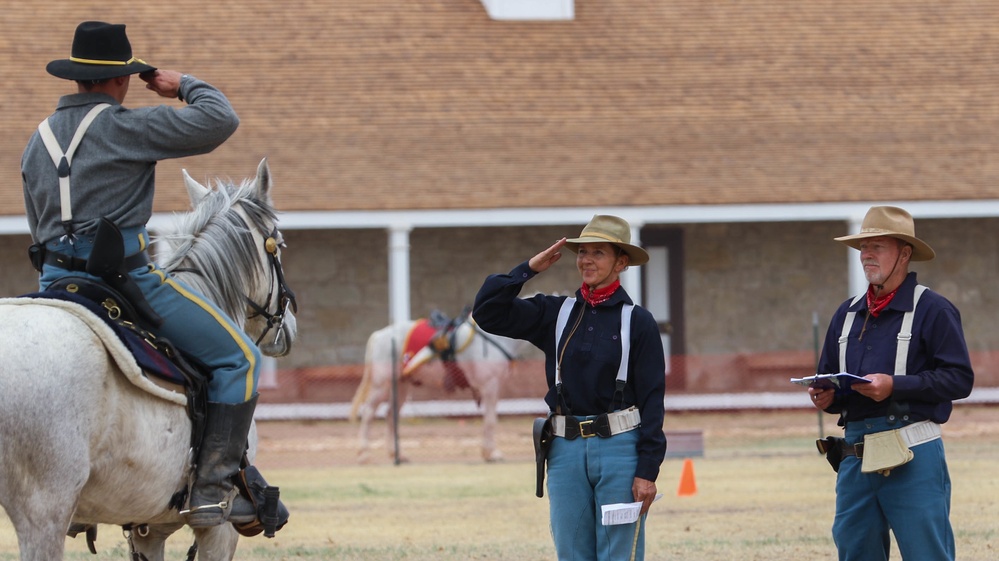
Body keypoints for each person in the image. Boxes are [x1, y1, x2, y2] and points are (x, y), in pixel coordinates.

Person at [21, 21, 265, 529]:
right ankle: (211, 489)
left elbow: (37, 222)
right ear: (121, 79)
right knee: (241, 357)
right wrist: (183, 85)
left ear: (77, 77)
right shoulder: (126, 126)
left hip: (51, 286)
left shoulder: (35, 141)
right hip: (122, 284)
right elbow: (221, 119)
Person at [473, 215, 667, 561]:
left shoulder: (638, 321)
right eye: (582, 252)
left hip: (621, 450)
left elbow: (653, 401)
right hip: (564, 450)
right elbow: (486, 312)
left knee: (619, 555)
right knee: (571, 553)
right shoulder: (555, 312)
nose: (586, 260)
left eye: (598, 253)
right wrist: (529, 269)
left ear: (621, 262)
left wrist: (647, 471)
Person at [811, 206, 974, 561]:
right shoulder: (846, 312)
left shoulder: (934, 309)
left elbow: (960, 379)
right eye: (863, 248)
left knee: (926, 554)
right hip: (854, 457)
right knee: (855, 553)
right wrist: (827, 398)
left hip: (913, 452)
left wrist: (895, 386)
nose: (867, 255)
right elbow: (832, 379)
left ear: (904, 253)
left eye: (877, 246)